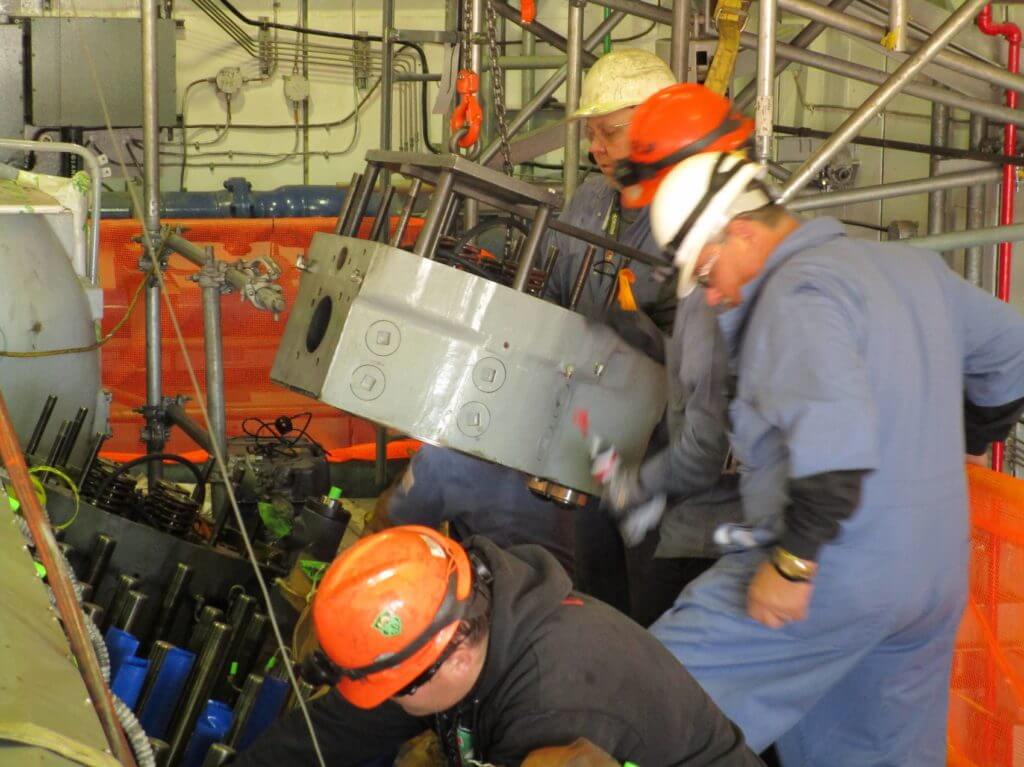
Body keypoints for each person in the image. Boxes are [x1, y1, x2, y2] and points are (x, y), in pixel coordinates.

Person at [636, 149, 1024, 764]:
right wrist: (964, 441)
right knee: (875, 751)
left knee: (642, 696)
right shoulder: (909, 268)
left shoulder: (796, 291)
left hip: (835, 568)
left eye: (707, 275)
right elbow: (1012, 354)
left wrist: (793, 564)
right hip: (934, 569)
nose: (710, 298)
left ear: (740, 229)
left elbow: (835, 447)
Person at [235, 526, 763, 766]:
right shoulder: (461, 622)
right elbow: (339, 730)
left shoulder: (556, 709)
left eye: (394, 689)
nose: (387, 701)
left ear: (455, 654)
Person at [590, 84, 755, 627]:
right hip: (697, 518)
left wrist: (633, 488)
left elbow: (705, 446)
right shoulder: (715, 258)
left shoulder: (723, 277)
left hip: (711, 536)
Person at [372, 444, 576, 575]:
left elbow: (393, 535)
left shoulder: (447, 459)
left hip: (490, 612)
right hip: (583, 613)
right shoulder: (597, 455)